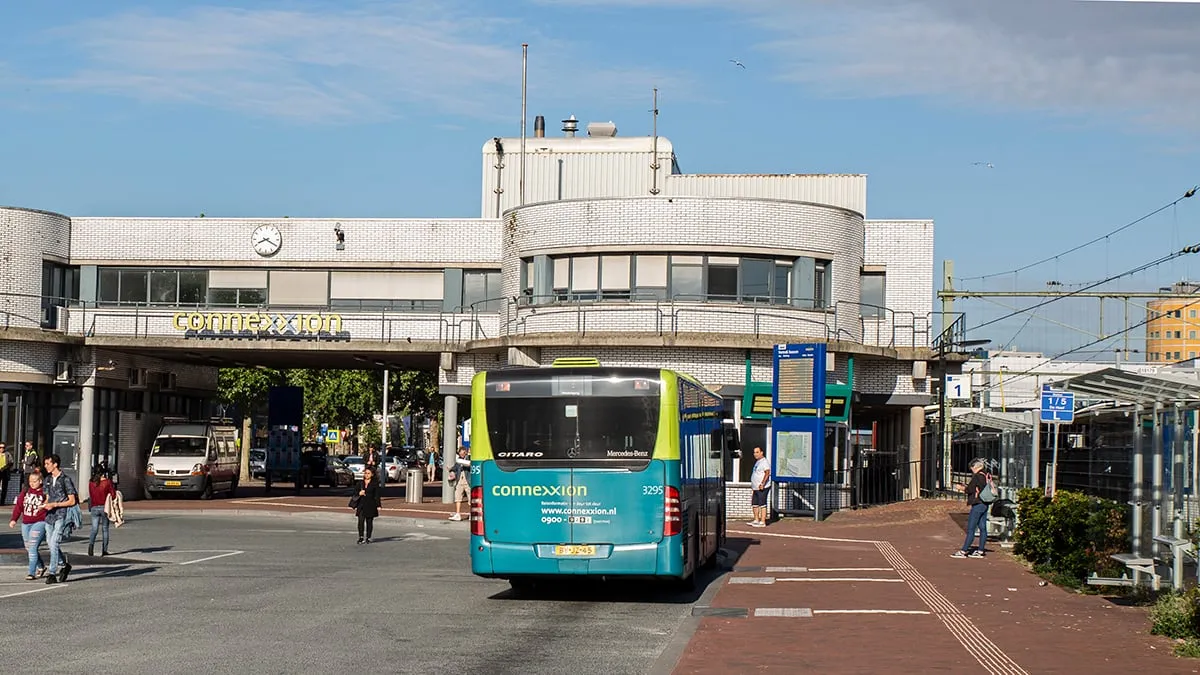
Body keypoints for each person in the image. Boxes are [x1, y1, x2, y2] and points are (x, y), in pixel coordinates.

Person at [39, 454, 79, 583]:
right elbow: (47, 498)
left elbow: (72, 500)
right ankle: (64, 565)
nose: (46, 466)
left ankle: (52, 573)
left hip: (61, 514)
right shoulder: (47, 479)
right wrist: (43, 505)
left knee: (54, 542)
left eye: (48, 464)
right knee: (50, 543)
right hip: (49, 516)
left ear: (55, 464)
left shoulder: (65, 479)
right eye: (45, 464)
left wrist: (55, 504)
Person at [8, 471, 48, 580]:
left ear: (40, 481)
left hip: (40, 522)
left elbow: (49, 505)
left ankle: (31, 572)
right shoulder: (26, 491)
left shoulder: (45, 492)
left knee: (33, 546)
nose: (32, 484)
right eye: (30, 481)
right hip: (26, 522)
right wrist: (14, 519)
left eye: (35, 481)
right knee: (29, 547)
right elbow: (19, 506)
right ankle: (41, 566)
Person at [952, 458, 990, 559]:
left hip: (977, 503)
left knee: (971, 529)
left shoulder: (977, 476)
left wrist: (961, 488)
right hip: (985, 503)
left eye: (972, 468)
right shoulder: (986, 475)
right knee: (983, 528)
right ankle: (980, 550)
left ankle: (964, 551)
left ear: (976, 467)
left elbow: (970, 489)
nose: (972, 470)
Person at [88, 467, 117, 557]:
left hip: (94, 506)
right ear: (102, 473)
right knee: (105, 528)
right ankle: (104, 550)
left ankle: (91, 546)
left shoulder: (91, 482)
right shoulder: (107, 482)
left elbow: (91, 495)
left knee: (94, 528)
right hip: (105, 507)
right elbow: (113, 495)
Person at [353, 466, 381, 544]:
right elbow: (355, 492)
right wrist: (359, 493)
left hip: (371, 504)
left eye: (368, 473)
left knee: (369, 522)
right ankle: (361, 537)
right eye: (365, 473)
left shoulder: (374, 484)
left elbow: (377, 495)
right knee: (360, 521)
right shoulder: (360, 483)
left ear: (372, 474)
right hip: (361, 505)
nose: (366, 475)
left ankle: (368, 537)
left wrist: (378, 505)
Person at [748, 446, 770, 528]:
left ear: (761, 452)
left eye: (757, 452)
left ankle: (763, 522)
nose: (755, 454)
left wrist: (762, 484)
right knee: (754, 503)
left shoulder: (764, 462)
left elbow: (767, 473)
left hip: (762, 487)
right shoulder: (758, 462)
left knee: (762, 504)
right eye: (754, 452)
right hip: (755, 487)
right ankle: (756, 520)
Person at [448, 447, 470, 521]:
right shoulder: (458, 461)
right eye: (461, 453)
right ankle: (458, 514)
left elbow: (472, 466)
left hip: (468, 481)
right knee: (458, 497)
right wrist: (451, 470)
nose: (462, 454)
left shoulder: (469, 458)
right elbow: (454, 468)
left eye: (464, 452)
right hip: (460, 481)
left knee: (470, 498)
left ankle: (471, 513)